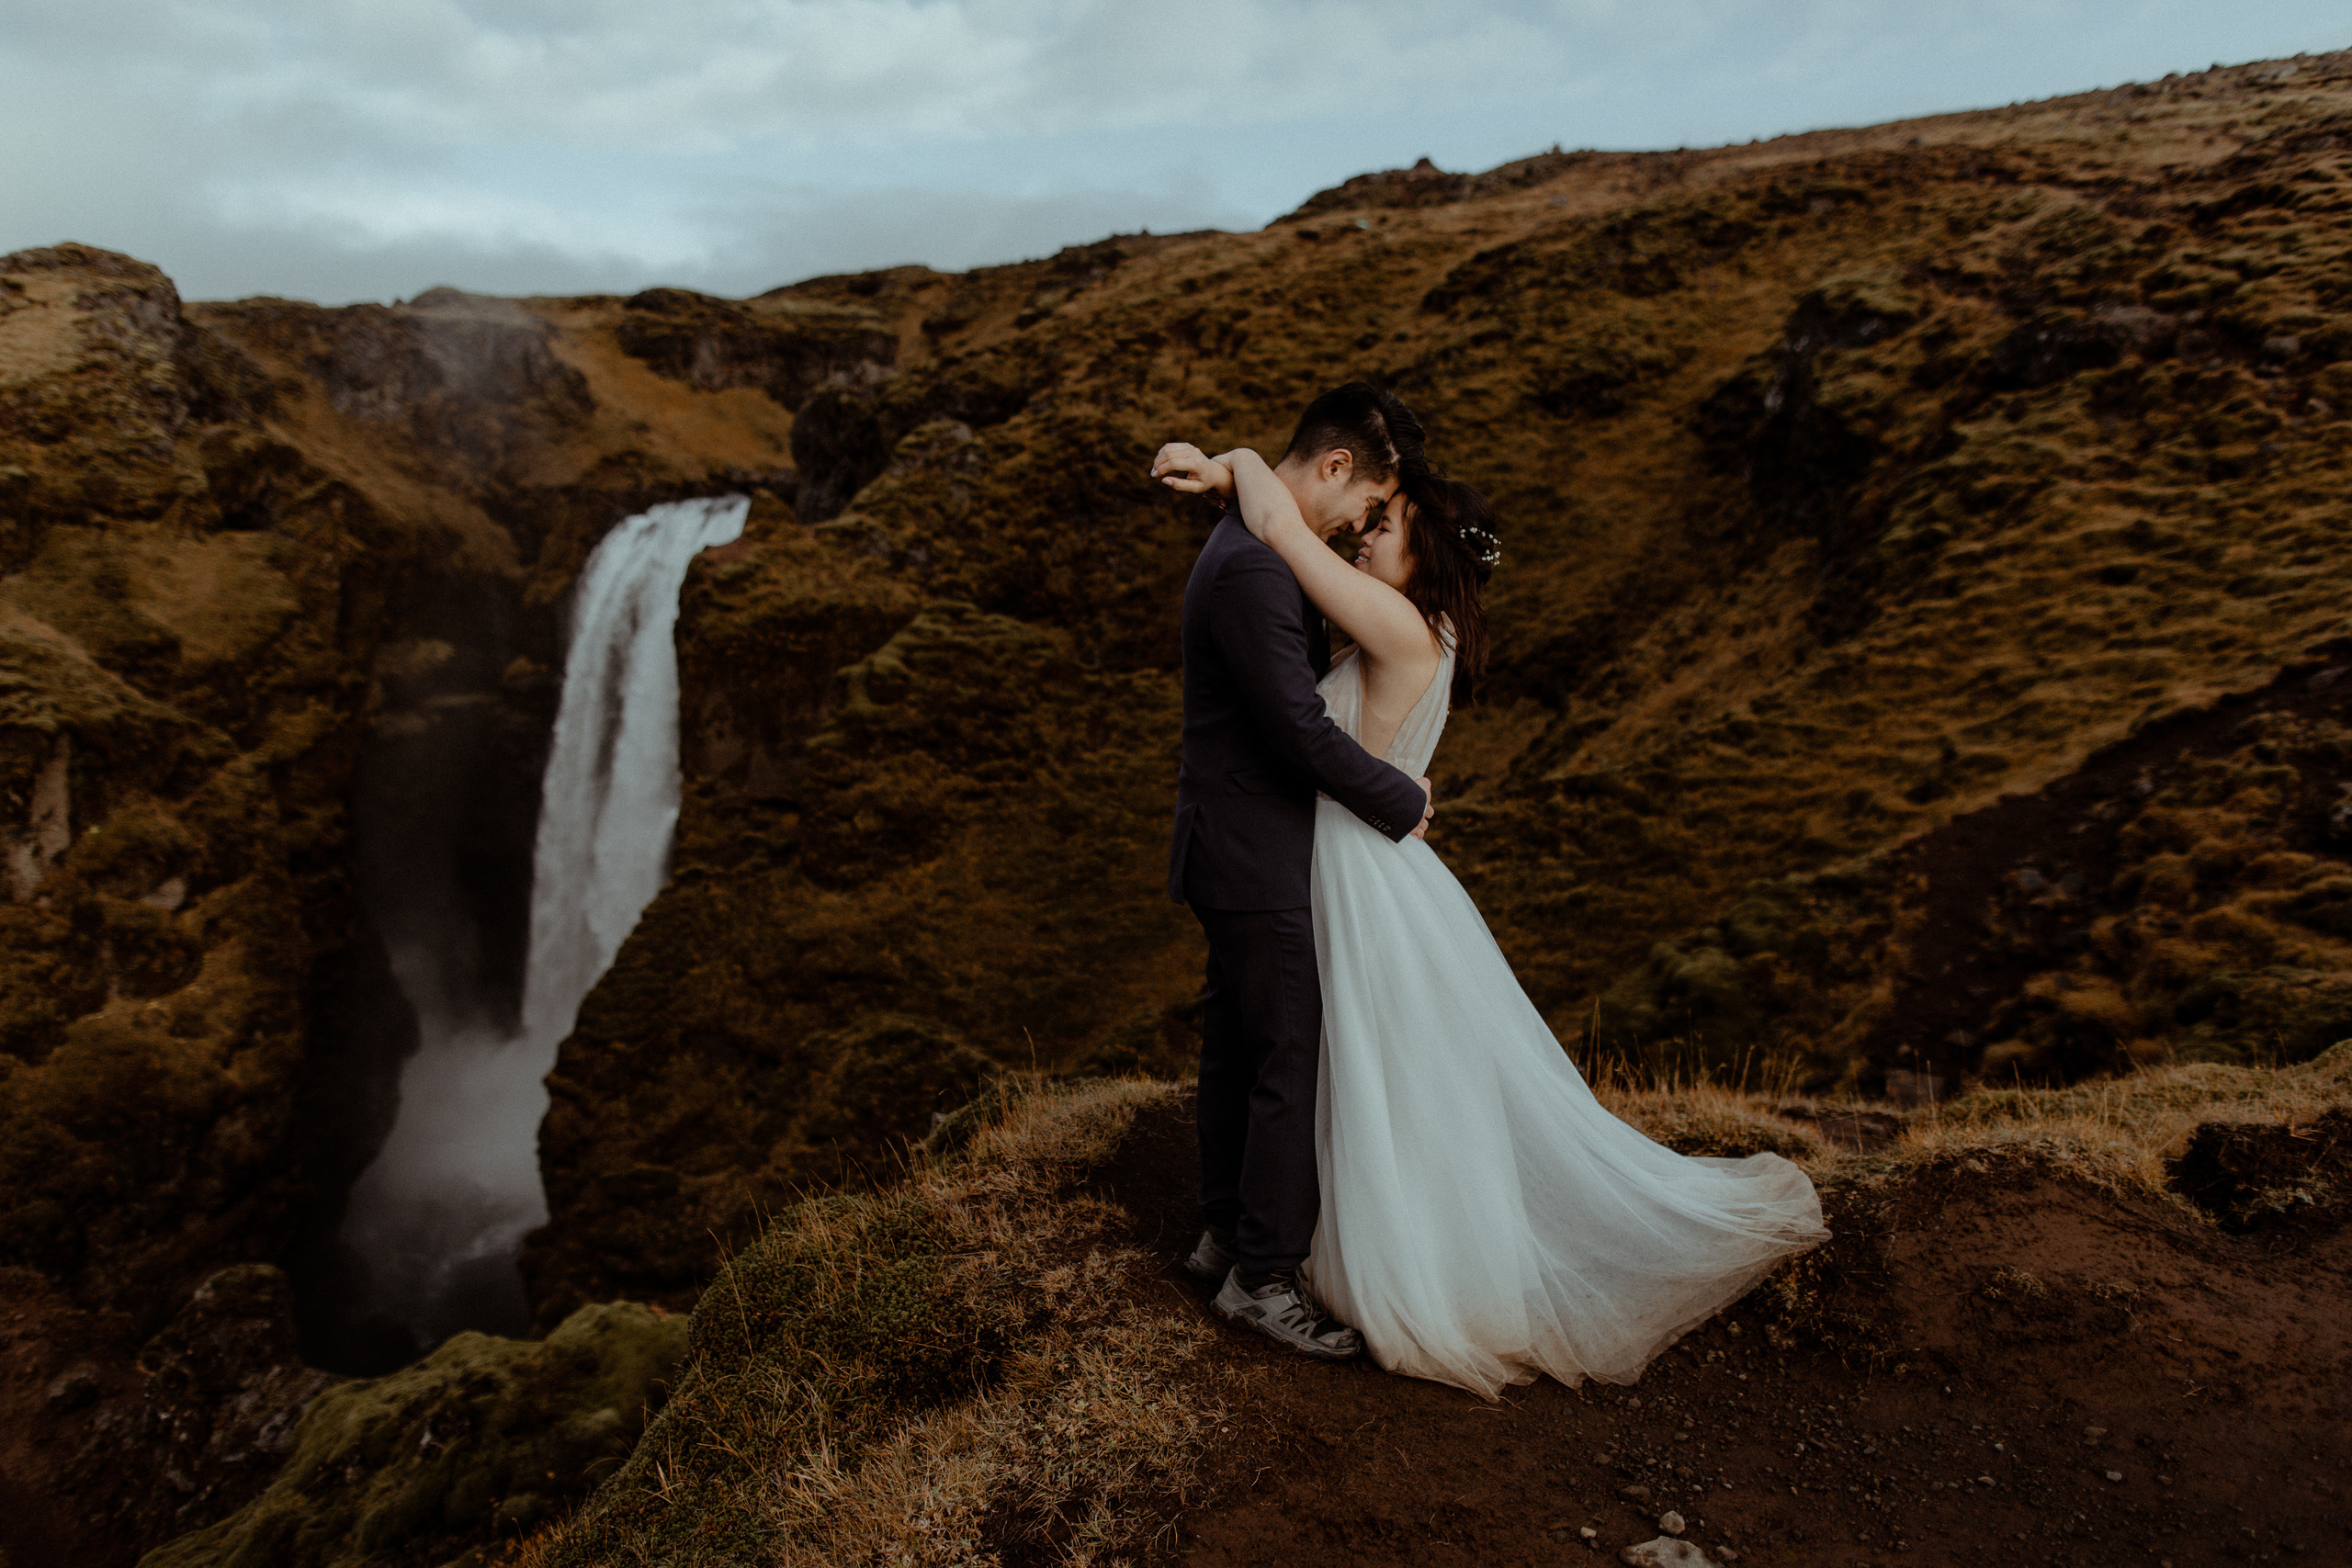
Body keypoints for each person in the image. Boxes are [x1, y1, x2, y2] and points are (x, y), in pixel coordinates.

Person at [1151, 440, 1830, 1399]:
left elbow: (1277, 528)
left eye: (1382, 526)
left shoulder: (1390, 618)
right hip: (1352, 861)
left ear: (1421, 554)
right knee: (1342, 1059)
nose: (1359, 531)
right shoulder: (1423, 629)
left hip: (1346, 866)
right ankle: (1264, 1235)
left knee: (1315, 1058)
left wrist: (1237, 464)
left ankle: (1286, 1254)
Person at [1158, 383, 1436, 1363]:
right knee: (1289, 1060)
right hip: (1255, 849)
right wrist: (1404, 802)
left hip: (1230, 844)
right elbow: (1297, 733)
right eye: (1365, 505)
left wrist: (1222, 459)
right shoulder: (1255, 575)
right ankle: (1261, 1277)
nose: (1361, 527)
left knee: (1239, 1043)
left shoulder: (1252, 547)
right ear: (1331, 469)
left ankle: (1224, 1231)